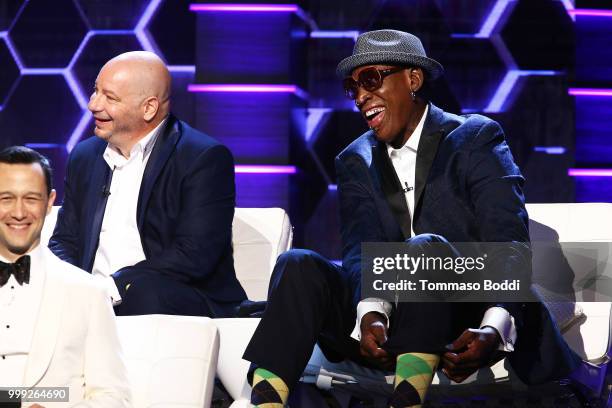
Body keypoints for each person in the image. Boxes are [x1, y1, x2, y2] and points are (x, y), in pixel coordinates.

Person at [242, 30, 579, 407]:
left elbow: (509, 244)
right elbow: (359, 252)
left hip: (465, 314)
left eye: (370, 79)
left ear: (413, 79)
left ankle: (406, 400)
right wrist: (371, 312)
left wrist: (493, 326)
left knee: (424, 248)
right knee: (297, 264)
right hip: (394, 320)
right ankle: (266, 401)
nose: (361, 96)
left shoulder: (475, 138)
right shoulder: (354, 159)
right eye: (352, 87)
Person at [49, 51, 246, 317]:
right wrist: (75, 286)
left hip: (169, 294)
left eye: (110, 97)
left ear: (149, 108)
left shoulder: (201, 158)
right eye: (95, 91)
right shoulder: (85, 156)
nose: (93, 104)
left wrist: (114, 286)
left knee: (144, 294)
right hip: (91, 297)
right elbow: (64, 240)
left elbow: (193, 255)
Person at [0, 146, 131, 407]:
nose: (18, 212)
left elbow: (113, 396)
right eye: (6, 198)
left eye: (31, 199)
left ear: (50, 202)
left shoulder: (88, 292)